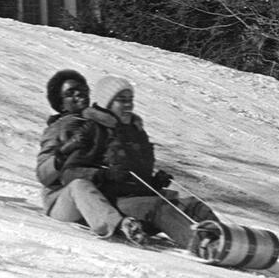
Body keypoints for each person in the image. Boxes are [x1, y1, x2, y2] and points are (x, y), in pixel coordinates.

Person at [57, 75, 218, 249]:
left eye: (130, 100)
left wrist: (154, 182)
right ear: (107, 102)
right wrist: (104, 174)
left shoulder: (135, 130)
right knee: (160, 207)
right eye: (121, 100)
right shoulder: (94, 129)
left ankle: (229, 240)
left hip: (140, 200)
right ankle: (205, 247)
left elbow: (135, 174)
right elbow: (69, 173)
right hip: (114, 203)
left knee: (192, 204)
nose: (128, 105)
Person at [36, 69, 147, 243]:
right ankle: (120, 225)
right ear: (62, 103)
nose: (78, 94)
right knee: (78, 185)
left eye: (81, 89)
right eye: (70, 93)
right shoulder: (59, 128)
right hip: (63, 201)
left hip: (95, 199)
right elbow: (43, 174)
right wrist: (64, 151)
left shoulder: (100, 123)